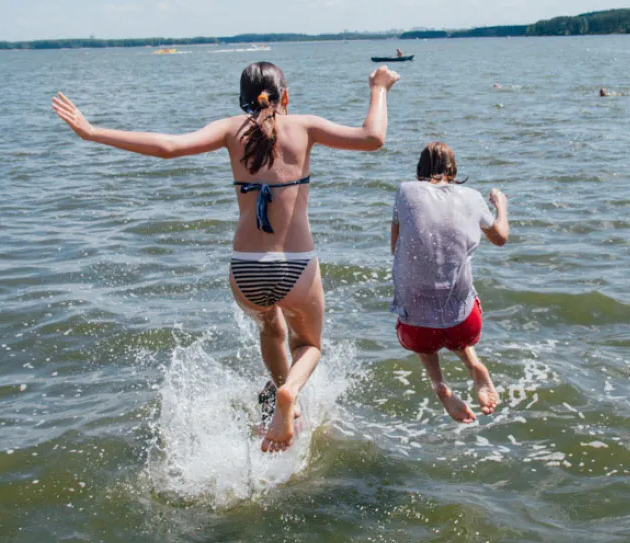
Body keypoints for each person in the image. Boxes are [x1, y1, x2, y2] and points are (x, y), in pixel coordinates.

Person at [52, 62, 401, 452]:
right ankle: (289, 393)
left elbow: (168, 147)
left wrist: (92, 131)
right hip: (296, 266)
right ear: (285, 96)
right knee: (310, 346)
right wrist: (379, 87)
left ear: (242, 101)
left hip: (245, 270)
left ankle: (285, 403)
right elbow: (373, 137)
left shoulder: (230, 130)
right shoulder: (305, 126)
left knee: (271, 329)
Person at [390, 142, 509, 423]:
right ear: (453, 171)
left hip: (415, 330)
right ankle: (474, 364)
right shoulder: (471, 196)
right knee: (453, 302)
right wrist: (501, 206)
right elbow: (501, 238)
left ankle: (439, 385)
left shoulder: (405, 191)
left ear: (419, 170)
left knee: (421, 312)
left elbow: (395, 247)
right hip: (465, 325)